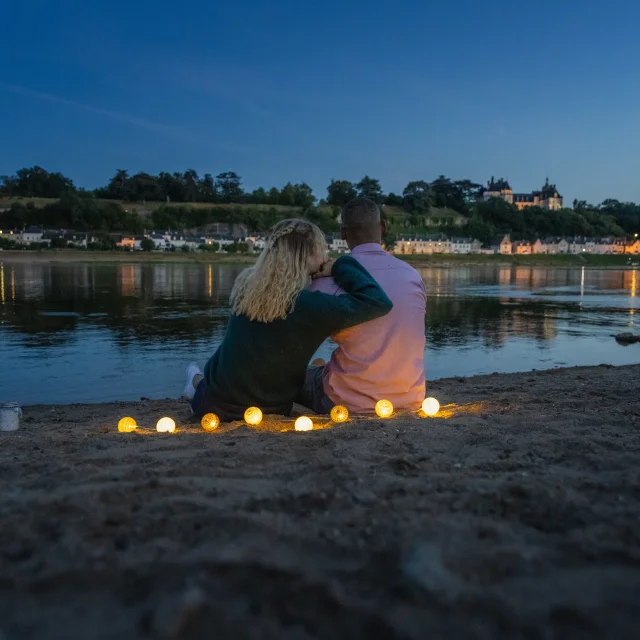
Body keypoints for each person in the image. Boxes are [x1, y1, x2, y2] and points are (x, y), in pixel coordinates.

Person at [183, 218, 393, 421]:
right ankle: (194, 379)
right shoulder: (310, 305)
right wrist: (341, 266)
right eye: (322, 249)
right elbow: (378, 301)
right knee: (314, 367)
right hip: (272, 409)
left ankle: (196, 380)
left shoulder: (245, 286)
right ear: (311, 252)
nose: (324, 256)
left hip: (211, 404)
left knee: (211, 378)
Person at [301, 197, 427, 414]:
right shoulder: (412, 276)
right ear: (384, 227)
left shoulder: (326, 281)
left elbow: (301, 338)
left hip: (344, 403)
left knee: (300, 375)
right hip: (411, 398)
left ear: (342, 233)